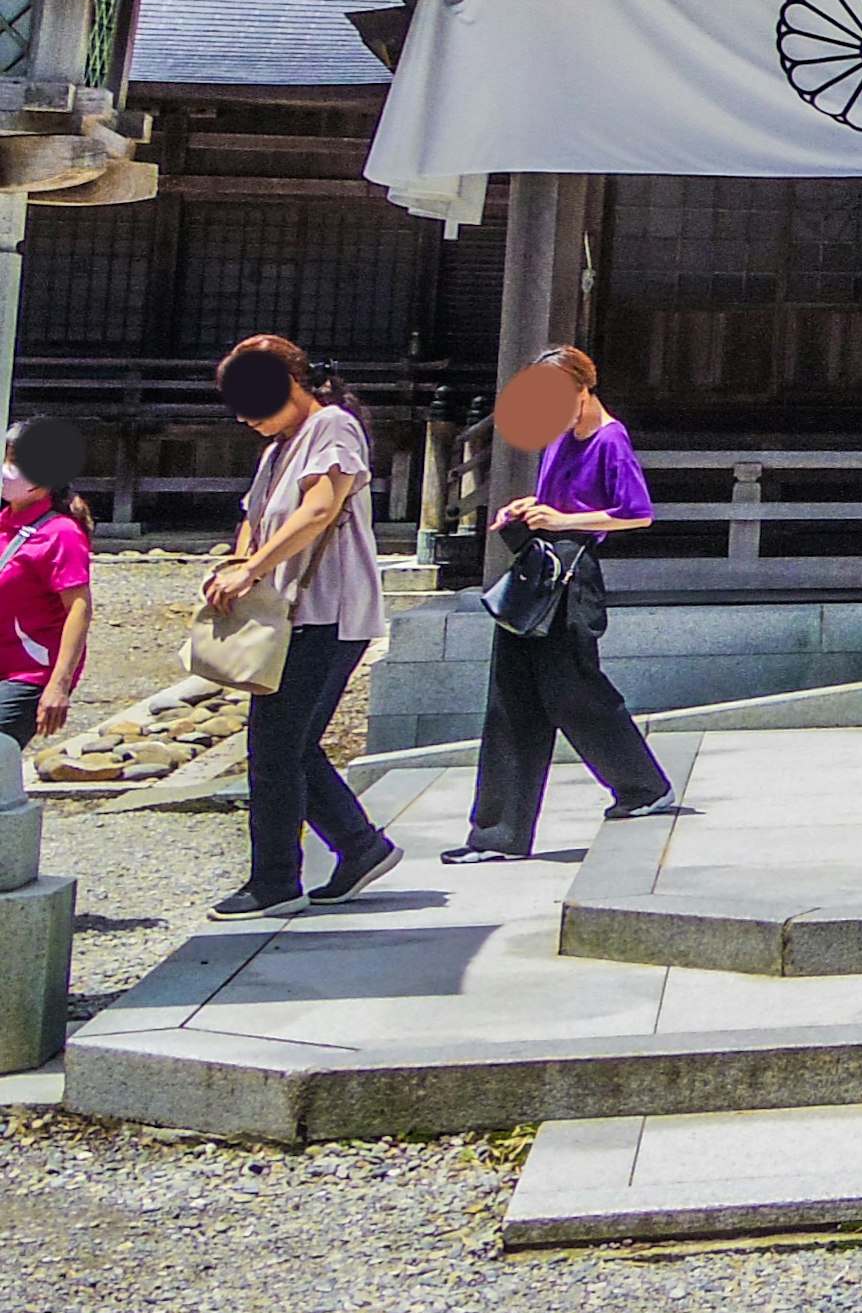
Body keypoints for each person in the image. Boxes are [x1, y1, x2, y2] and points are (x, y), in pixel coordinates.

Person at [451, 345, 675, 863]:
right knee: (511, 698)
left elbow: (636, 514)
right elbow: (553, 504)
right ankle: (496, 834)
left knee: (573, 689)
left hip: (574, 576)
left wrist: (564, 520)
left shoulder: (610, 439)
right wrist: (530, 510)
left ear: (582, 389)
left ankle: (644, 787)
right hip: (539, 568)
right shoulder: (558, 438)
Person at [205, 334, 399, 915]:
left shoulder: (332, 427)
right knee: (287, 743)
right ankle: (359, 846)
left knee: (274, 745)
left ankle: (275, 881)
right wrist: (240, 567)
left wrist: (254, 570)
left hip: (330, 609)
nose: (244, 415)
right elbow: (255, 521)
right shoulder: (277, 450)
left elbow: (320, 509)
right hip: (290, 612)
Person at [0, 417, 94, 752]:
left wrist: (59, 683)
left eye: (14, 462)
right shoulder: (4, 524)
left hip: (28, 674)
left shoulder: (60, 534)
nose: (6, 470)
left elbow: (79, 609)